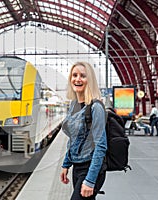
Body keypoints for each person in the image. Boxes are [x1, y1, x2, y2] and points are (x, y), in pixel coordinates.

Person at [60, 61, 107, 200]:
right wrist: (66, 164)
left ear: (90, 80)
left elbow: (101, 145)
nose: (77, 79)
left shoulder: (95, 107)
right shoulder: (74, 104)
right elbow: (74, 139)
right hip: (77, 167)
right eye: (74, 75)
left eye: (83, 76)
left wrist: (90, 180)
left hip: (91, 168)